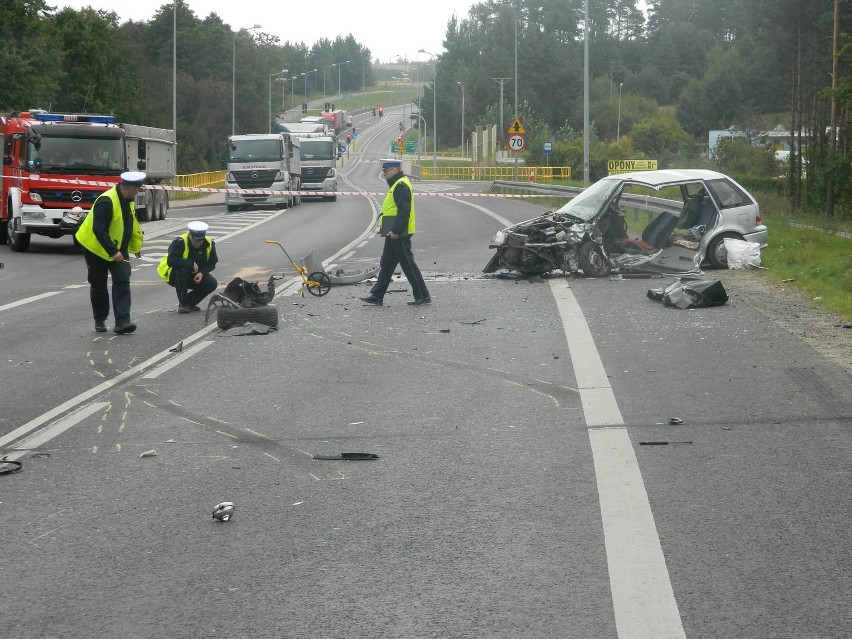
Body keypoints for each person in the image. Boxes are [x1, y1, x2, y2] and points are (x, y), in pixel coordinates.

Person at [75, 171, 145, 334]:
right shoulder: (106, 201)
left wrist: (135, 246)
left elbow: (129, 225)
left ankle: (122, 322)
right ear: (129, 187)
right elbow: (99, 229)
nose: (138, 192)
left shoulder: (128, 200)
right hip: (95, 248)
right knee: (98, 284)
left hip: (117, 248)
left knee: (122, 280)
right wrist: (113, 252)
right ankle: (100, 319)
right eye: (137, 189)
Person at [360, 159, 431, 306]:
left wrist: (396, 231)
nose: (385, 175)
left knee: (408, 265)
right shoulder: (397, 184)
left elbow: (404, 211)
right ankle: (377, 295)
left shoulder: (401, 185)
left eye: (386, 172)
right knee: (387, 263)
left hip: (399, 232)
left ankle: (423, 295)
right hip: (392, 231)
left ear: (393, 170)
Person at [157, 221, 219, 313]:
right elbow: (172, 261)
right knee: (182, 269)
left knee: (212, 283)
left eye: (201, 240)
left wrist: (201, 273)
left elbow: (212, 263)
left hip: (196, 275)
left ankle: (189, 303)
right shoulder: (179, 242)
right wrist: (191, 263)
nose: (199, 243)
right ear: (190, 235)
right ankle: (183, 303)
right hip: (175, 276)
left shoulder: (209, 243)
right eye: (196, 240)